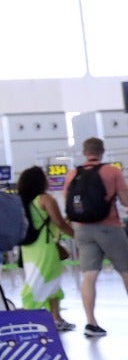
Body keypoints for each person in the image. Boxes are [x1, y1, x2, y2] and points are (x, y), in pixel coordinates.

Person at [62, 136, 128, 338]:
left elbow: (68, 202)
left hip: (82, 229)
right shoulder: (112, 171)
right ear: (102, 151)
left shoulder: (73, 174)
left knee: (89, 275)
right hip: (109, 227)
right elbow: (125, 200)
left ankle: (91, 323)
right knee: (126, 271)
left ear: (84, 152)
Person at [16, 165, 75, 331]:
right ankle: (28, 318)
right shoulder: (45, 199)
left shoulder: (21, 201)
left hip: (28, 249)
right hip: (45, 247)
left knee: (48, 282)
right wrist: (76, 236)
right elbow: (59, 223)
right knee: (41, 283)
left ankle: (56, 318)